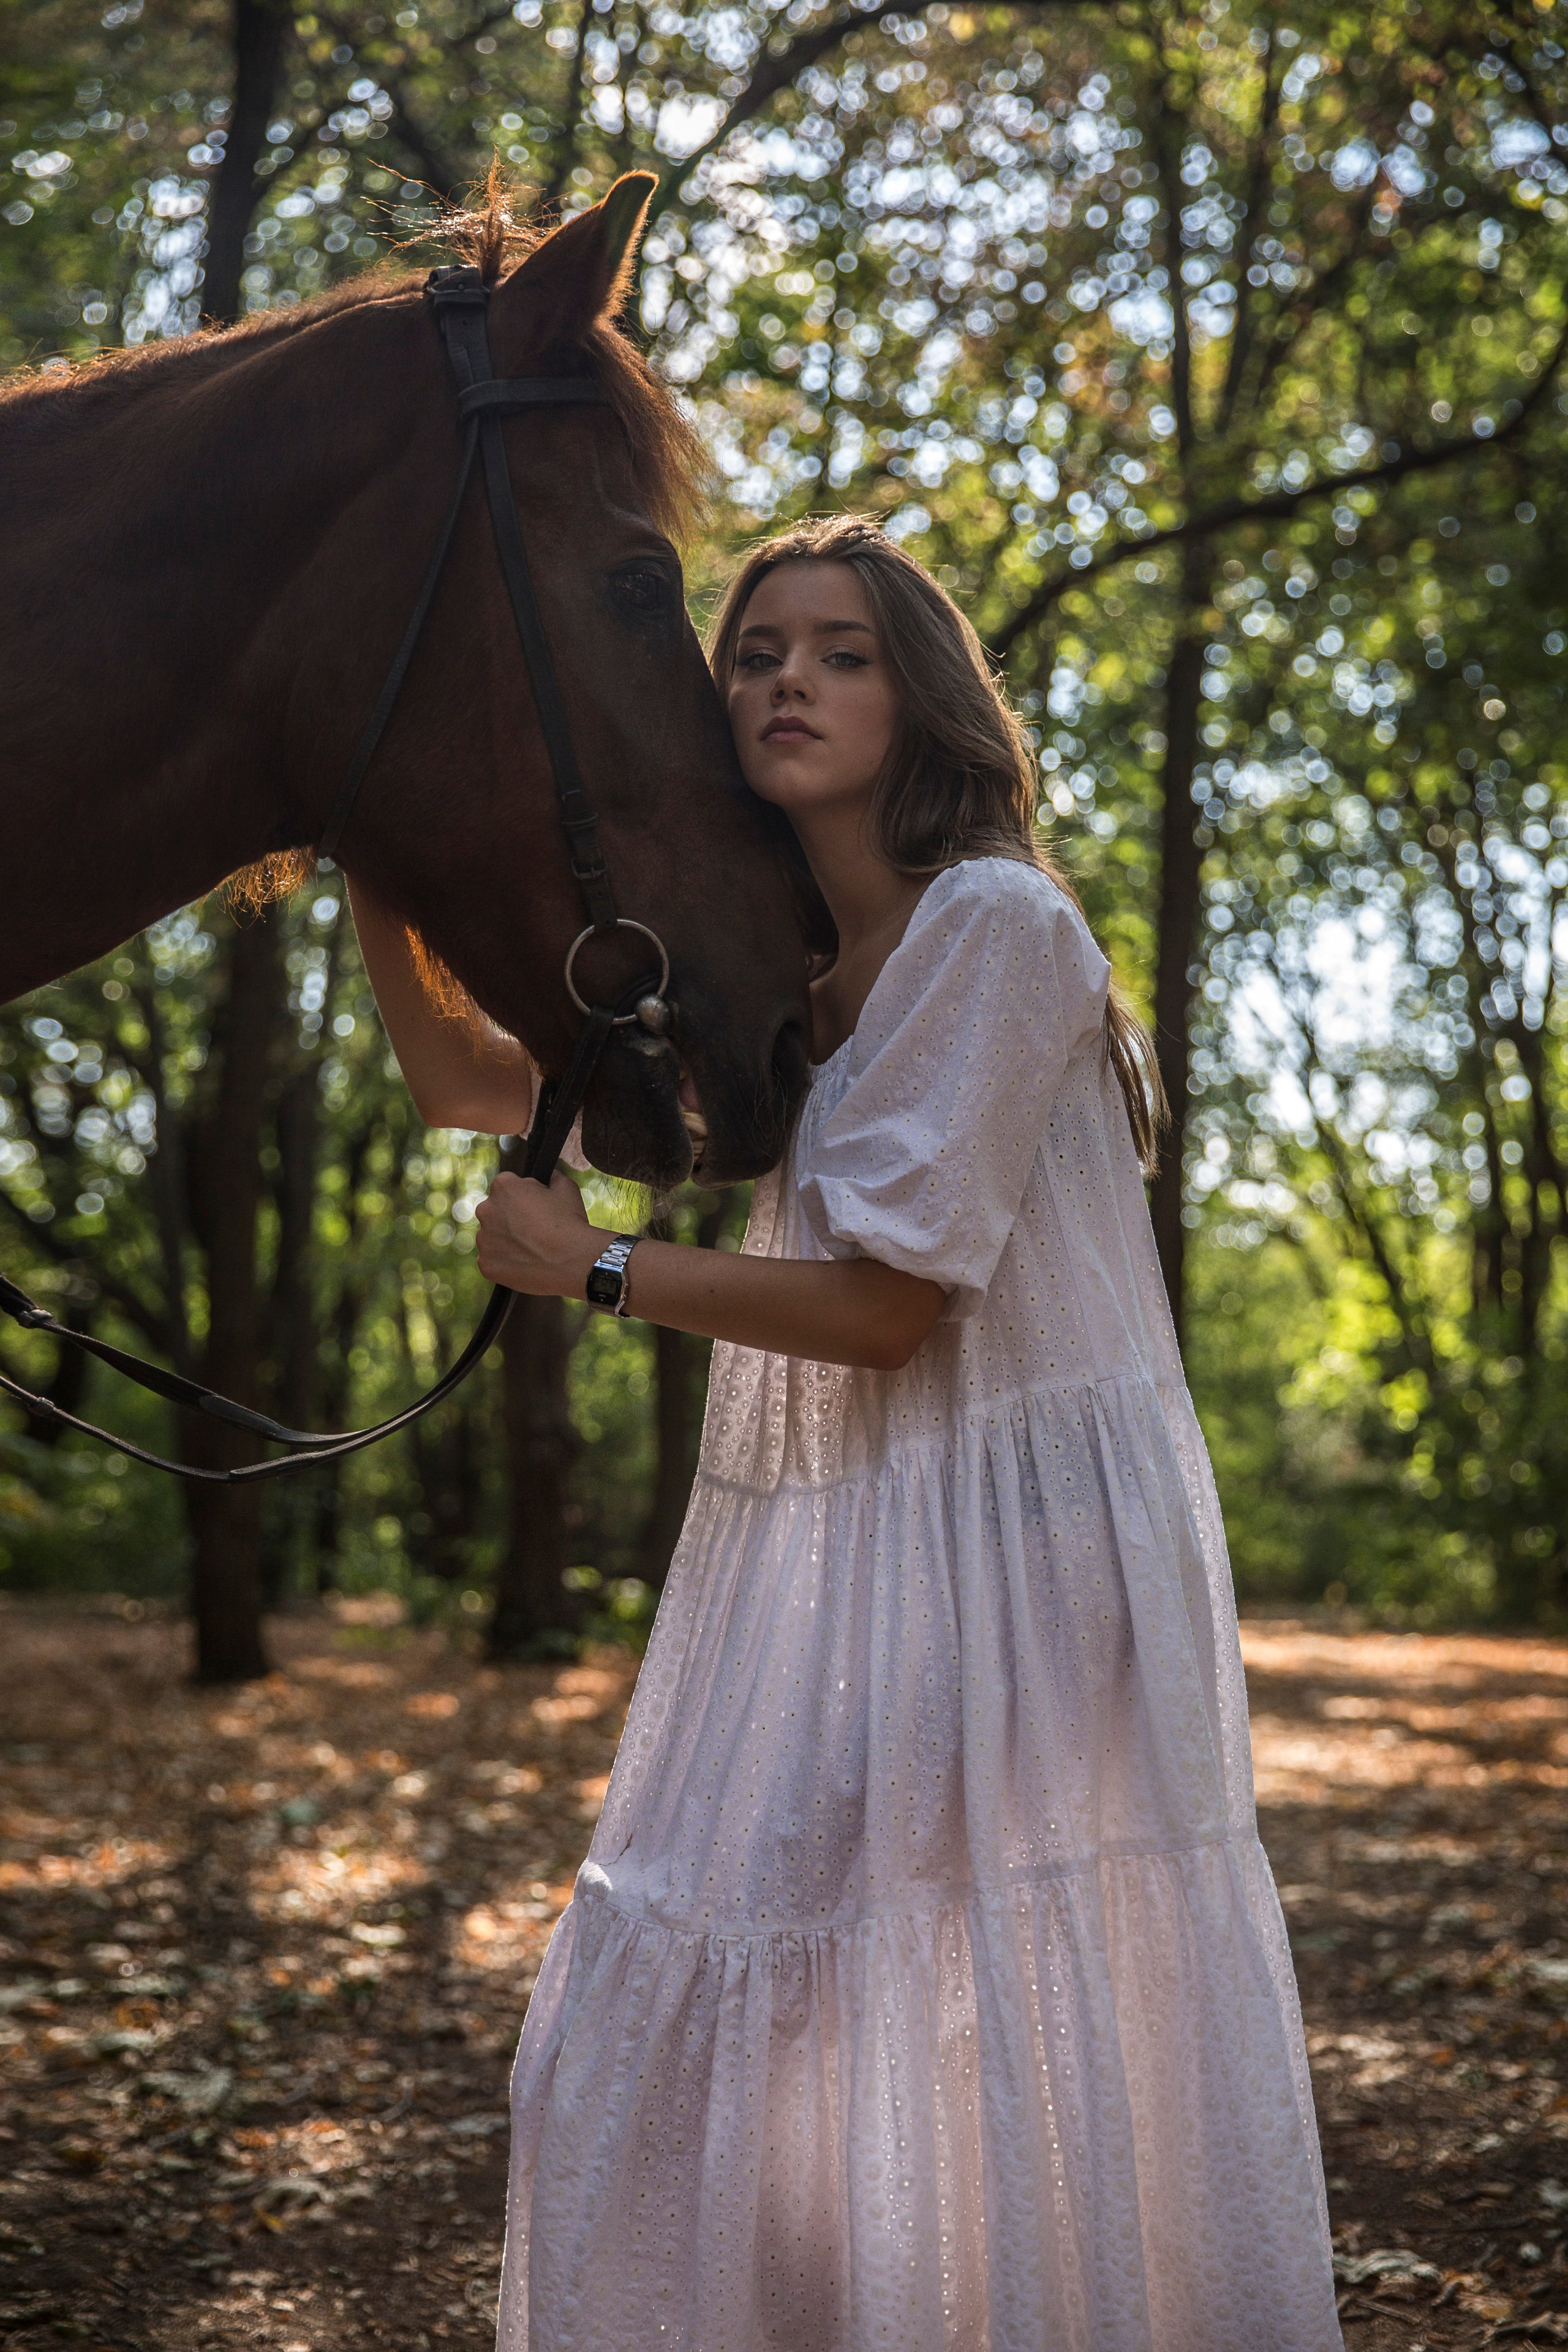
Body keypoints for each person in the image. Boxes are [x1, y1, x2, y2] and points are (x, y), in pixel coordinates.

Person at [352, 516, 1342, 2352]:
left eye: (840, 651)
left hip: (1022, 1556)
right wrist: (356, 812)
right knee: (717, 2020)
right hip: (860, 1544)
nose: (785, 679)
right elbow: (452, 1075)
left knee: (951, 2011)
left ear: (924, 698)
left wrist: (603, 1270)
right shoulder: (769, 981)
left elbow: (891, 1310)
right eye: (754, 653)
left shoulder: (996, 926)